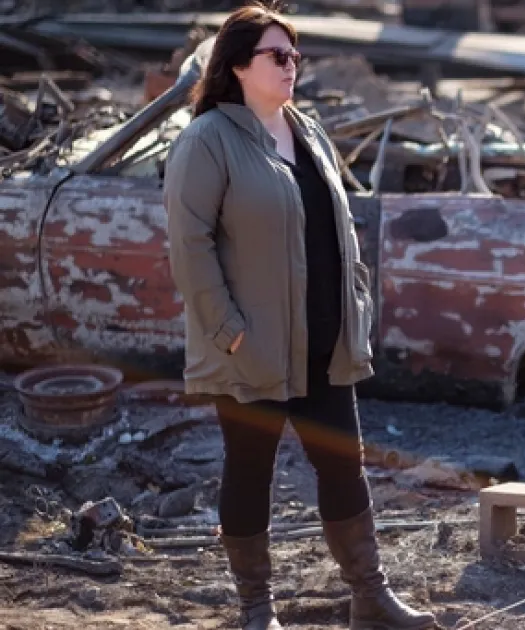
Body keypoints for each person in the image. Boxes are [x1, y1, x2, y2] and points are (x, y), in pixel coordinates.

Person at [162, 3, 436, 629]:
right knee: (250, 472)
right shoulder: (207, 140)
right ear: (238, 64)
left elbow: (341, 229)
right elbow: (188, 244)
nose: (291, 66)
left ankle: (371, 597)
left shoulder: (307, 130)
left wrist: (356, 305)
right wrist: (228, 329)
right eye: (277, 56)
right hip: (251, 345)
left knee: (343, 465)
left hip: (324, 342)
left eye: (295, 56)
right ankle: (258, 610)